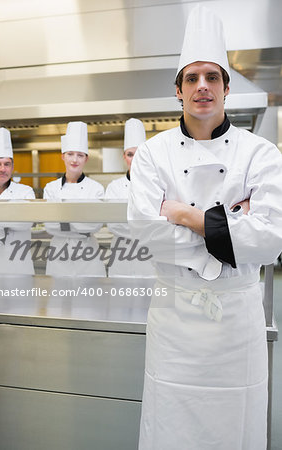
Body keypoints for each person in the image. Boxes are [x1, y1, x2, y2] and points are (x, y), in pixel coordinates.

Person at [128, 5, 282, 450]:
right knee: (170, 427)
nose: (202, 87)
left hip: (236, 327)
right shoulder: (153, 155)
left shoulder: (261, 154)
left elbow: (270, 241)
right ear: (177, 90)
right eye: (191, 78)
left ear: (226, 87)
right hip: (174, 326)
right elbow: (145, 232)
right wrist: (232, 228)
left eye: (212, 77)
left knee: (236, 428)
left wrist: (184, 214)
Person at [43, 121, 105, 277]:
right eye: (70, 154)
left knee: (89, 299)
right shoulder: (51, 188)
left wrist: (64, 220)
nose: (74, 160)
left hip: (87, 253)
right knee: (59, 298)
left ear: (86, 158)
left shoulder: (96, 188)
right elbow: (50, 225)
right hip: (59, 253)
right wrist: (81, 219)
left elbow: (95, 225)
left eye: (80, 155)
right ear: (63, 156)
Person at [105, 118, 155, 278]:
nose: (135, 159)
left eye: (139, 153)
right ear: (124, 157)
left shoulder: (157, 185)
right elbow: (113, 225)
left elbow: (158, 223)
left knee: (148, 300)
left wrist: (129, 224)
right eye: (130, 154)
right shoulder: (114, 187)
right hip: (121, 253)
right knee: (121, 300)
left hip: (149, 254)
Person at [0, 127, 35, 275]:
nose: (2, 169)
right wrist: (11, 215)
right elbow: (18, 221)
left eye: (7, 164)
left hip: (18, 265)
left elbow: (26, 222)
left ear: (12, 167)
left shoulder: (26, 191)